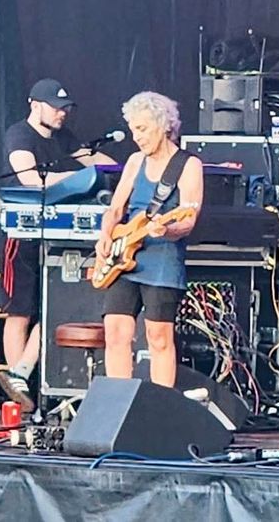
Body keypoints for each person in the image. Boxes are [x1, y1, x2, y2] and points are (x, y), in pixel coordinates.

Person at [0, 78, 115, 406]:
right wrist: (80, 178)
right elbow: (30, 179)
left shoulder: (64, 137)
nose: (63, 114)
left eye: (66, 109)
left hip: (56, 234)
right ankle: (17, 391)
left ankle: (22, 374)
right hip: (20, 235)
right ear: (35, 105)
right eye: (56, 108)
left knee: (55, 304)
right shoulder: (19, 134)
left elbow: (98, 161)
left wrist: (133, 170)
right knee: (20, 311)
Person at [97, 92, 203, 389]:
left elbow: (188, 219)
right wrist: (105, 235)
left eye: (142, 129)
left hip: (163, 258)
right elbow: (115, 209)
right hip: (124, 256)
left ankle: (160, 403)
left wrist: (166, 230)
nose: (137, 137)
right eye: (133, 130)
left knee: (158, 337)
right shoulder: (135, 162)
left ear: (163, 124)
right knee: (115, 331)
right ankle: (119, 400)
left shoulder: (188, 165)